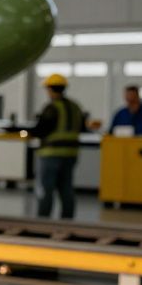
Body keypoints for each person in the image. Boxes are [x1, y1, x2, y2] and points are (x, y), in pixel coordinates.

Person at [31, 73, 93, 219]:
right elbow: (82, 128)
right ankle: (67, 220)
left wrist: (29, 132)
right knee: (66, 189)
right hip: (71, 154)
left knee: (46, 189)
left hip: (51, 154)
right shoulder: (75, 107)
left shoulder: (52, 107)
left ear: (50, 89)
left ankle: (43, 220)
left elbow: (41, 130)